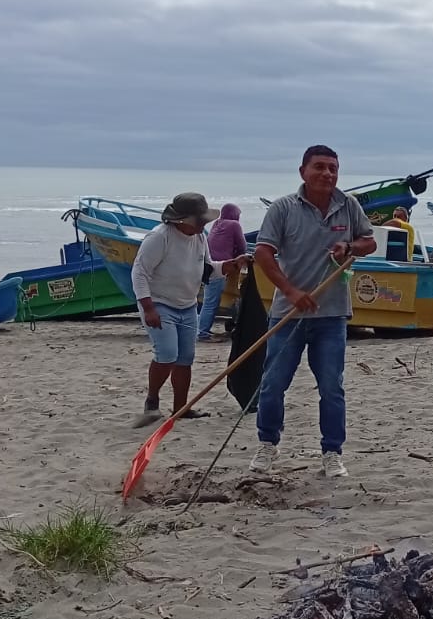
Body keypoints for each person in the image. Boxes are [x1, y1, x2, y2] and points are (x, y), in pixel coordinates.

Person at [249, 146, 377, 477]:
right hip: (287, 314)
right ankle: (267, 444)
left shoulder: (348, 205)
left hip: (331, 316)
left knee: (332, 388)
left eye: (333, 168)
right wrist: (291, 292)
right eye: (319, 167)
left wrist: (349, 246)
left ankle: (332, 453)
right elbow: (263, 252)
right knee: (273, 384)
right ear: (302, 171)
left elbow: (369, 242)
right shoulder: (283, 208)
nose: (327, 174)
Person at [130, 192, 251, 427]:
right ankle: (152, 402)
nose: (203, 224)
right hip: (159, 302)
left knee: (185, 358)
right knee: (167, 354)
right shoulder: (159, 237)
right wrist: (148, 308)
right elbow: (139, 273)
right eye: (199, 220)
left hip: (187, 305)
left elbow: (207, 270)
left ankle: (181, 408)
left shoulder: (199, 238)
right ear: (182, 220)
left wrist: (231, 265)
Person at [198, 203, 246, 340]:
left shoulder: (217, 223)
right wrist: (238, 259)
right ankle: (202, 333)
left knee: (208, 301)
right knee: (211, 302)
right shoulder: (234, 225)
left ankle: (202, 330)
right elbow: (242, 246)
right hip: (220, 268)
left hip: (209, 265)